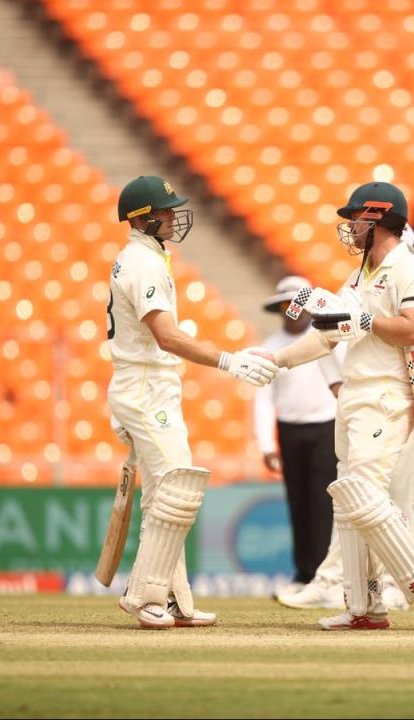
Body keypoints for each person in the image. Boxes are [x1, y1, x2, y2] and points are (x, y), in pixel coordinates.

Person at [269, 181, 414, 631]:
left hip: (386, 395)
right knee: (348, 501)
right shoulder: (360, 275)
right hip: (355, 395)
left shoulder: (408, 269)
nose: (349, 227)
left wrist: (367, 320)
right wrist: (275, 359)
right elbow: (327, 335)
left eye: (354, 218)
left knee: (368, 496)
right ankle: (364, 607)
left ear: (377, 219)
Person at [106, 175, 277, 628]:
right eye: (164, 211)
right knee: (177, 489)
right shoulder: (141, 264)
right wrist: (228, 361)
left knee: (167, 495)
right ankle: (144, 597)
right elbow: (166, 337)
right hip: (145, 387)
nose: (172, 217)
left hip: (148, 387)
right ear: (142, 219)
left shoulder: (147, 258)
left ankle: (174, 598)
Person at [254, 275, 341, 590]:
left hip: (326, 427)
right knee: (297, 501)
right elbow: (263, 399)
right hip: (289, 429)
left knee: (323, 502)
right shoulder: (271, 347)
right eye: (287, 306)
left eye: (298, 304)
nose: (293, 311)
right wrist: (267, 444)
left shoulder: (327, 340)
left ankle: (324, 575)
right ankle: (304, 573)